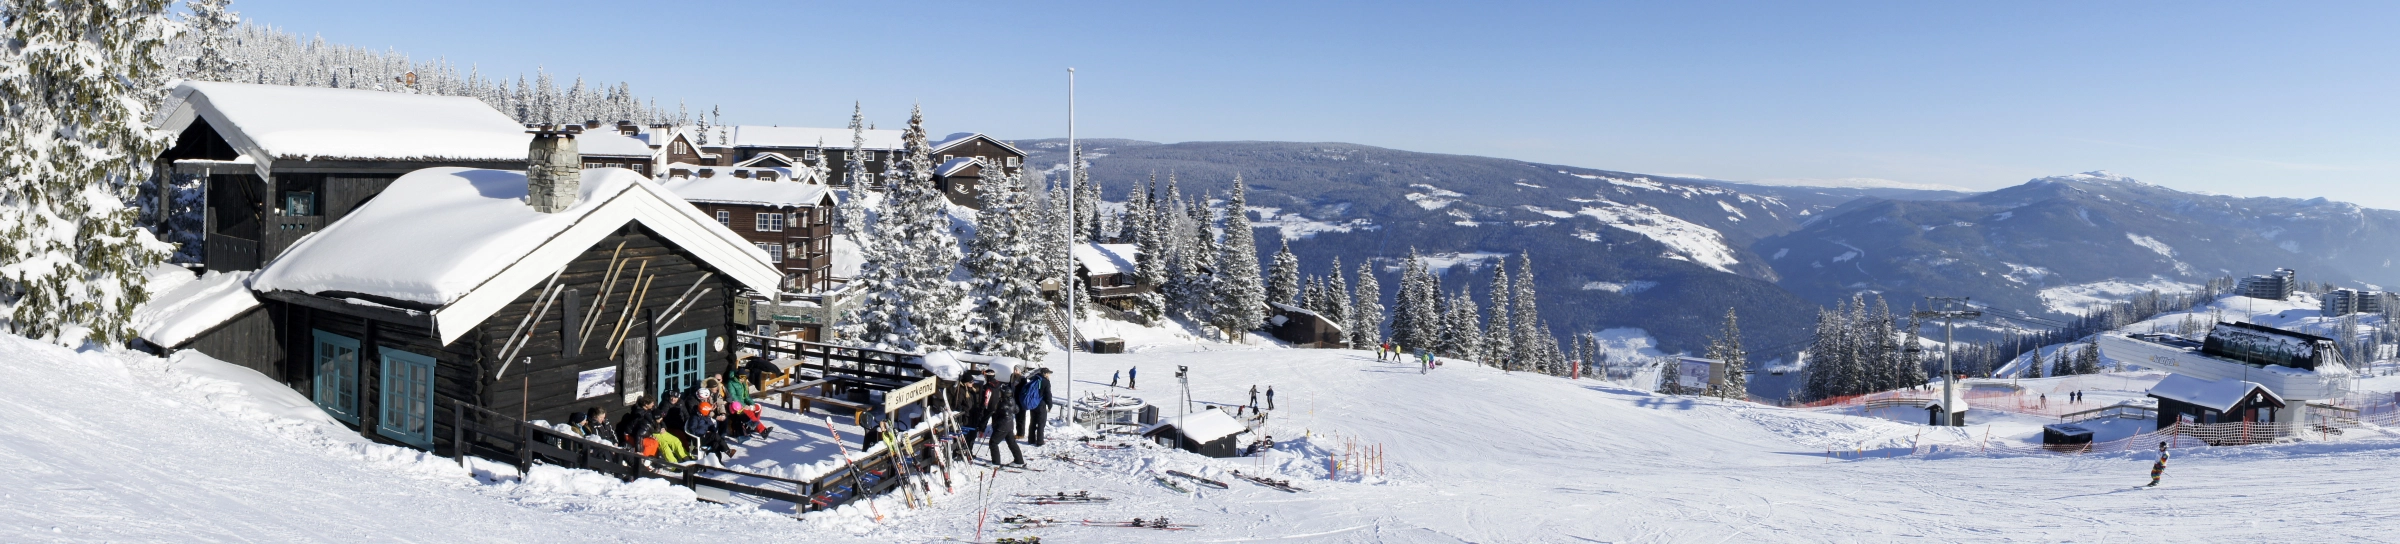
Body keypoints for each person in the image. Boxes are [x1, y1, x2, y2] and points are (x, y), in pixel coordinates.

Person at [984, 370, 1025, 466]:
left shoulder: (1002, 403)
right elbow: (1016, 410)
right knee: (1012, 443)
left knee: (993, 443)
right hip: (1010, 425)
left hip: (1002, 426)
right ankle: (1019, 461)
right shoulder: (1012, 401)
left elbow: (999, 413)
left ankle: (996, 462)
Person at [1021, 368, 1055, 447]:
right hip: (1041, 405)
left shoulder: (1034, 379)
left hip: (1033, 404)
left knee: (1032, 422)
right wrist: (1050, 405)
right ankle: (1040, 441)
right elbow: (1048, 395)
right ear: (1045, 374)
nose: (1049, 375)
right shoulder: (1045, 382)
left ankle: (1031, 439)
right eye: (1048, 373)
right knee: (1041, 423)